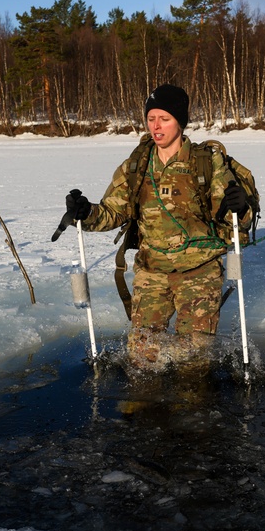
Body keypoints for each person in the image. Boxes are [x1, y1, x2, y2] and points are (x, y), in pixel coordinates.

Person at [63, 84, 253, 369]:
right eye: (151, 118)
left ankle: (194, 409)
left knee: (194, 359)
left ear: (180, 121)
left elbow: (233, 219)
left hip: (199, 272)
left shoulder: (206, 162)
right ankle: (141, 408)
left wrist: (240, 206)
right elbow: (113, 211)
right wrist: (86, 212)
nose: (156, 126)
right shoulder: (137, 164)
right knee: (141, 357)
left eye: (164, 118)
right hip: (151, 273)